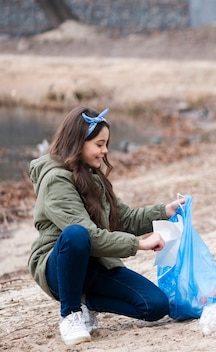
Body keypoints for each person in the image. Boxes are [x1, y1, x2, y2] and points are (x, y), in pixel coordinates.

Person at [28, 106, 183, 346]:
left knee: (155, 305)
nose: (105, 151)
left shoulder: (92, 175)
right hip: (58, 267)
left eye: (106, 144)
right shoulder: (55, 180)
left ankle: (87, 300)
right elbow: (88, 235)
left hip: (96, 262)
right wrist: (139, 244)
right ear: (78, 142)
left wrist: (164, 211)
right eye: (100, 144)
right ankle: (70, 313)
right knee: (76, 235)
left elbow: (125, 219)